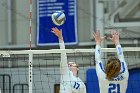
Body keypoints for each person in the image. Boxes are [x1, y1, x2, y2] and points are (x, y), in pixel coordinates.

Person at [51, 27, 86, 93]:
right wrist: (61, 39)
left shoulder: (82, 84)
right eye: (68, 64)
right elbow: (63, 56)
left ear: (77, 68)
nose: (69, 64)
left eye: (72, 63)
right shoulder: (65, 72)